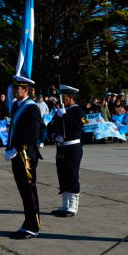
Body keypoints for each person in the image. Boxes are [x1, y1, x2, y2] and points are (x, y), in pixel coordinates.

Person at [4, 76, 44, 239]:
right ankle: (28, 223)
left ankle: (33, 226)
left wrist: (18, 148)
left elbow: (33, 133)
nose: (14, 91)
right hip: (16, 154)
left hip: (26, 156)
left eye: (17, 88)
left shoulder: (31, 108)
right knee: (23, 191)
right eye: (13, 88)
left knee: (29, 191)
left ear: (25, 90)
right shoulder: (16, 105)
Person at [47, 85, 84, 217]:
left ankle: (73, 207)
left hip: (73, 146)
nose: (61, 99)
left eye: (63, 97)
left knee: (72, 175)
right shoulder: (61, 110)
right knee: (62, 175)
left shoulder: (77, 110)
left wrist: (66, 116)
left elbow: (79, 126)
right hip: (61, 146)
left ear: (70, 97)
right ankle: (65, 205)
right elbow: (50, 126)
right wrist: (53, 135)